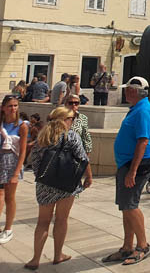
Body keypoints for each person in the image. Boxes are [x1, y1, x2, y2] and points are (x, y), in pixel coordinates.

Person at [25, 107, 91, 269]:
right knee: (61, 220)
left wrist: (41, 179)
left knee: (43, 222)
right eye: (71, 119)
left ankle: (35, 259)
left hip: (45, 185)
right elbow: (83, 158)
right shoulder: (72, 137)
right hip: (67, 185)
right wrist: (88, 177)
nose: (72, 122)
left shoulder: (42, 137)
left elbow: (34, 160)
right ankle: (58, 255)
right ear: (64, 120)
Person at [102, 77, 150, 266]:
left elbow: (143, 141)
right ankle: (127, 246)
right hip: (128, 163)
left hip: (136, 164)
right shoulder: (137, 109)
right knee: (126, 205)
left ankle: (142, 245)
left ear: (135, 91)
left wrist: (132, 171)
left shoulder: (142, 111)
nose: (125, 92)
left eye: (127, 90)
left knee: (130, 205)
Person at [0, 95, 28, 244]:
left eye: (15, 105)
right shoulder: (1, 123)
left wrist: (17, 172)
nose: (13, 109)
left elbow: (23, 151)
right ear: (3, 108)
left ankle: (8, 228)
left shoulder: (22, 126)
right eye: (10, 106)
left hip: (11, 162)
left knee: (9, 197)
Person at [63, 94, 93, 167]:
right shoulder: (60, 116)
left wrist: (87, 154)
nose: (73, 105)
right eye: (71, 103)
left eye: (76, 103)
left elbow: (86, 136)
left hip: (76, 153)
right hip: (62, 152)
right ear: (66, 104)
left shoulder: (83, 118)